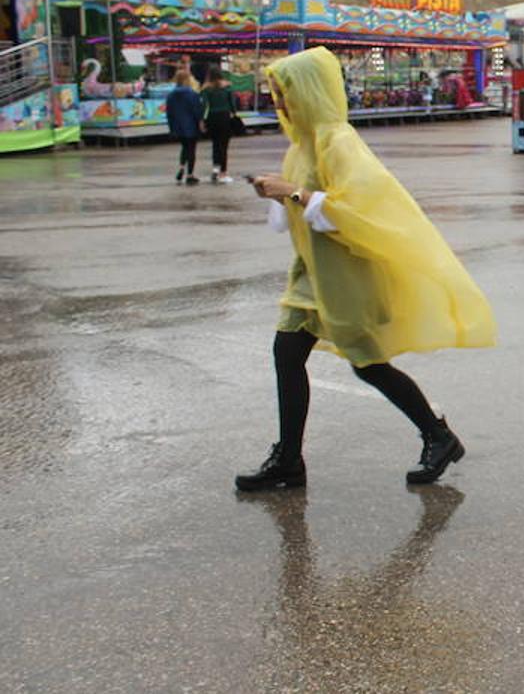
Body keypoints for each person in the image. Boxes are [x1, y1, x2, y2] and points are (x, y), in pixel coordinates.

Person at [234, 47, 497, 492]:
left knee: (368, 363)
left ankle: (438, 435)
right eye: (275, 94)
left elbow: (358, 211)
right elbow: (301, 204)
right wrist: (280, 193)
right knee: (288, 354)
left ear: (311, 92)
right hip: (313, 274)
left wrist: (293, 193)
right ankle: (289, 460)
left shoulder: (340, 142)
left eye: (285, 93)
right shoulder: (301, 146)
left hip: (349, 275)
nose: (278, 103)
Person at [165, 69, 203, 186]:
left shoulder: (170, 95)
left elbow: (169, 113)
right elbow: (197, 111)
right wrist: (200, 122)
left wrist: (172, 127)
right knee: (192, 149)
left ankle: (181, 167)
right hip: (191, 125)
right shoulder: (193, 94)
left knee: (184, 148)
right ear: (187, 79)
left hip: (177, 126)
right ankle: (190, 175)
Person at [201, 67, 237, 183]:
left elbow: (204, 106)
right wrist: (234, 113)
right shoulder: (227, 88)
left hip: (212, 117)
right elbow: (233, 104)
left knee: (215, 144)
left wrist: (202, 120)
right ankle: (223, 173)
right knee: (224, 146)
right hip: (225, 117)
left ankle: (215, 169)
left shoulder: (206, 89)